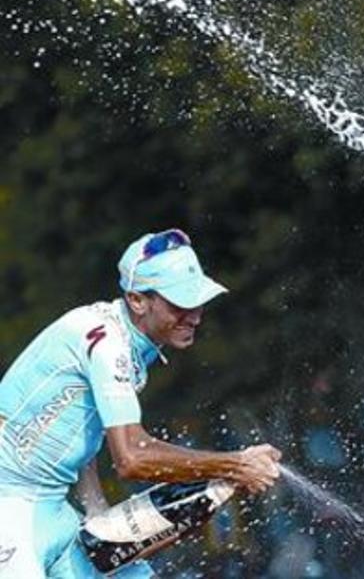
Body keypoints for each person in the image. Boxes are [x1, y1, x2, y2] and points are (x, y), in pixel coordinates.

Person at [0, 229, 282, 578]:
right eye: (180, 303)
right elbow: (131, 458)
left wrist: (96, 508)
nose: (194, 315)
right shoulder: (108, 344)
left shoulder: (128, 344)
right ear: (137, 300)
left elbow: (81, 428)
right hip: (11, 513)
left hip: (52, 510)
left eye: (198, 302)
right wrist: (235, 465)